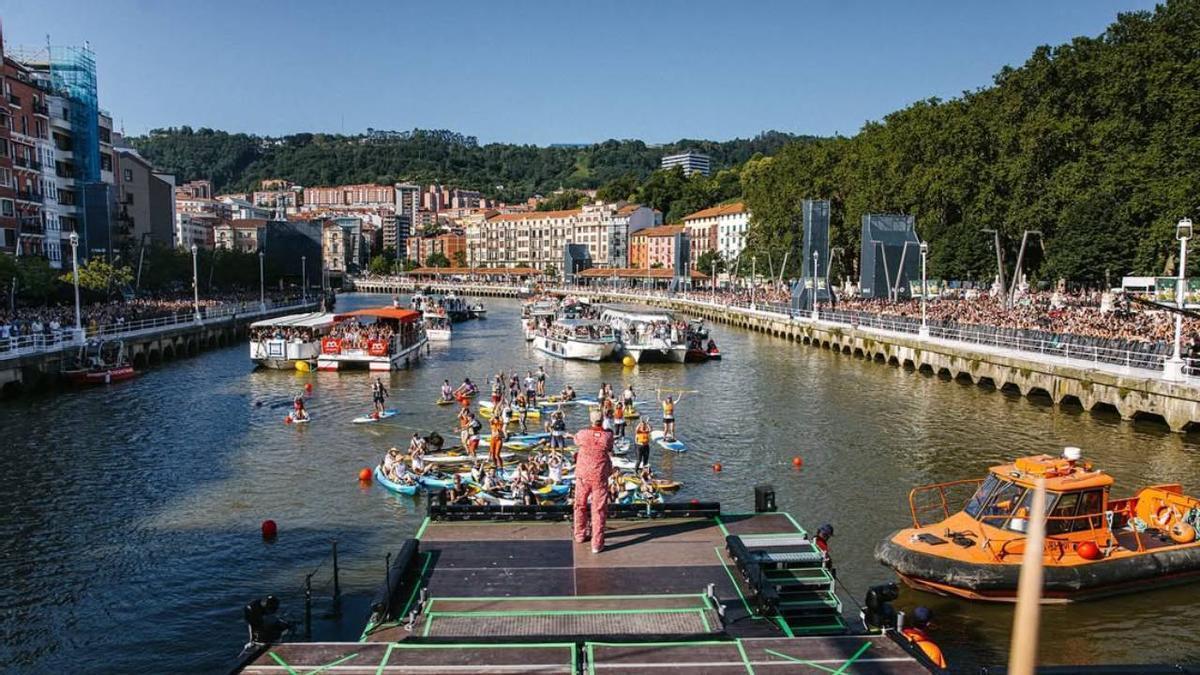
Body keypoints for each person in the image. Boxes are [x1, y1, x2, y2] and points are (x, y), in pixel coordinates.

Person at [573, 409, 614, 554]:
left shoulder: (583, 434)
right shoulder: (607, 436)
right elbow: (609, 447)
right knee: (599, 510)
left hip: (583, 474)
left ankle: (580, 534)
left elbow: (576, 440)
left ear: (590, 420)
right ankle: (597, 544)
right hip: (600, 475)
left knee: (580, 505)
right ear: (602, 420)